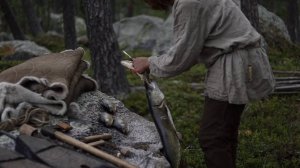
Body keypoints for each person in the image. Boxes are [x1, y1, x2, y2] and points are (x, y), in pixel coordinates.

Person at [132, 0, 275, 168]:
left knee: (213, 137)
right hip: (237, 60)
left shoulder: (189, 3)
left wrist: (149, 63)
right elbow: (192, 47)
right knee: (224, 134)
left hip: (233, 64)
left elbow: (183, 54)